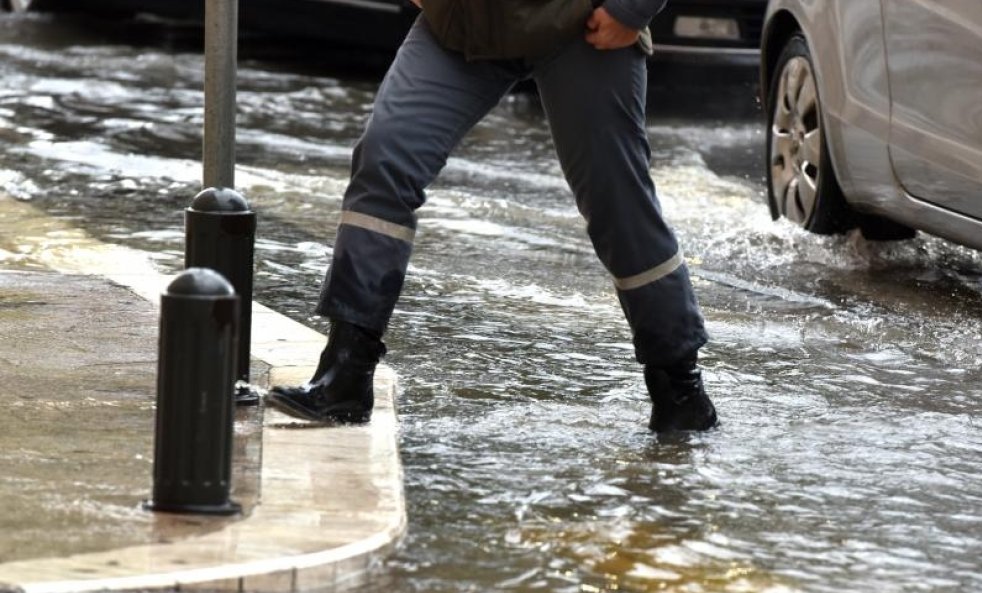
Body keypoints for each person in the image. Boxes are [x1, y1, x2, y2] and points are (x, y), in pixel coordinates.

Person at [265, 0, 718, 433]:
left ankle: (678, 390)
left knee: (617, 203)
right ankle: (345, 371)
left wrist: (630, 9)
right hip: (462, 23)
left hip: (584, 25)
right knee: (385, 158)